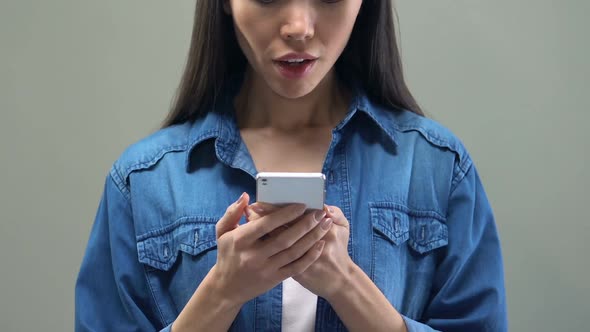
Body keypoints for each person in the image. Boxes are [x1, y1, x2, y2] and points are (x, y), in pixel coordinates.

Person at [75, 1, 508, 331]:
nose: (298, 27)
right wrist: (222, 293)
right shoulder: (143, 180)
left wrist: (344, 285)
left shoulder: (437, 167)